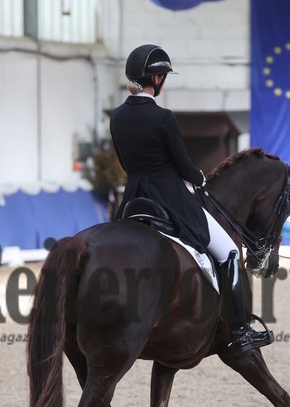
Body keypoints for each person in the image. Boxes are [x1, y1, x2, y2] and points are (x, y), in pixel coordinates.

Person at [110, 44, 273, 351]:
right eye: (163, 77)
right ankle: (239, 330)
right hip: (170, 198)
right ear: (156, 78)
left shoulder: (117, 117)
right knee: (229, 252)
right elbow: (184, 166)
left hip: (133, 201)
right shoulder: (163, 118)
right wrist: (199, 178)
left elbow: (125, 162)